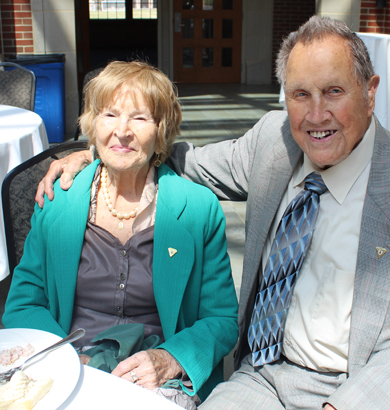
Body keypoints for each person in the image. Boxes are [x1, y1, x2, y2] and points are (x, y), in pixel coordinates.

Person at [35, 16, 390, 410]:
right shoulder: (275, 139)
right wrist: (92, 154)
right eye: (300, 94)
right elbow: (182, 158)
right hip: (267, 376)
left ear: (370, 91)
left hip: (365, 385)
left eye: (334, 92)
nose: (316, 114)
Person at [4, 60, 238, 408]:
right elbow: (23, 302)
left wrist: (169, 360)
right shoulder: (56, 200)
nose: (122, 131)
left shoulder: (197, 209)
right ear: (92, 124)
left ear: (161, 131)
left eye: (140, 118)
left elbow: (221, 319)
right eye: (110, 115)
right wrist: (66, 358)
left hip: (153, 376)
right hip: (68, 364)